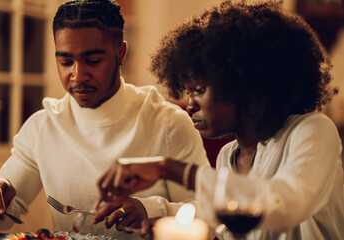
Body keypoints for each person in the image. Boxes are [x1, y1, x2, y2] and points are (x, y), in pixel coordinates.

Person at [96, 1, 344, 240]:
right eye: (187, 92)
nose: (190, 105)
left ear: (242, 85)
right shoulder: (229, 155)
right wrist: (152, 213)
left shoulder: (313, 129)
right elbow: (220, 223)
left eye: (199, 91)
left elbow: (283, 204)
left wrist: (167, 168)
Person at [0, 0, 209, 239]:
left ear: (120, 54)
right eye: (66, 62)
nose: (78, 75)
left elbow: (209, 214)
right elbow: (1, 217)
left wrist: (153, 209)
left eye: (92, 61)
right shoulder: (43, 126)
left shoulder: (167, 123)